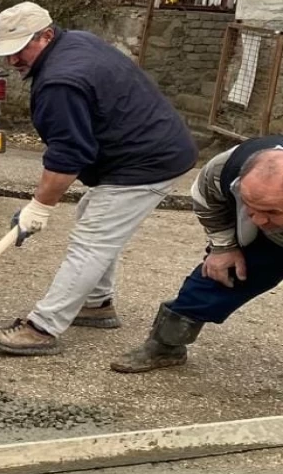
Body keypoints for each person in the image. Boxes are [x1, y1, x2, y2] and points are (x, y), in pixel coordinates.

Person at [0, 1, 198, 356]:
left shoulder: (61, 81)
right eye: (7, 53)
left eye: (20, 50)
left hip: (145, 160)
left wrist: (39, 207)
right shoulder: (75, 41)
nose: (13, 61)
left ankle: (41, 328)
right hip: (147, 148)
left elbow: (68, 156)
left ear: (46, 35)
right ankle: (96, 304)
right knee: (91, 219)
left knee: (92, 240)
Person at [112, 139, 283, 373]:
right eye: (251, 205)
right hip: (264, 242)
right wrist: (223, 247)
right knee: (222, 275)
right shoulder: (223, 169)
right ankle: (166, 346)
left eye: (272, 210)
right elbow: (207, 201)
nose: (259, 219)